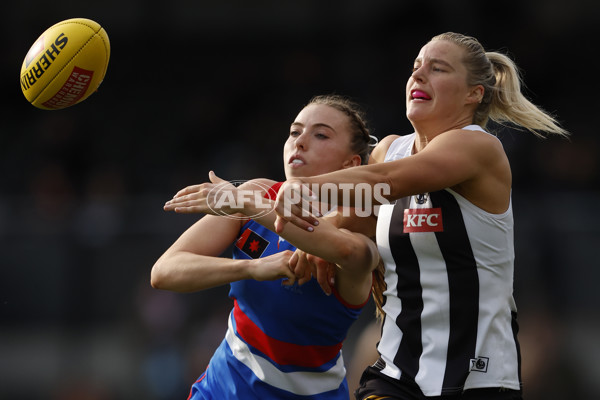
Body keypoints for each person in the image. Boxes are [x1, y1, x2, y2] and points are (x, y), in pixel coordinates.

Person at [272, 32, 569, 400]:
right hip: (396, 375)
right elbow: (348, 222)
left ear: (473, 94)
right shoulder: (387, 151)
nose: (419, 76)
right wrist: (284, 226)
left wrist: (303, 188)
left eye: (438, 68)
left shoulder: (477, 146)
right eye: (416, 68)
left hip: (478, 378)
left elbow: (385, 182)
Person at [152, 94, 384, 400]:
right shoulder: (256, 193)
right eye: (294, 132)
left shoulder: (359, 236)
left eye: (321, 134)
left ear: (351, 163)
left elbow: (341, 250)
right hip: (221, 390)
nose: (299, 142)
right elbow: (164, 271)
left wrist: (246, 203)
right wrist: (251, 267)